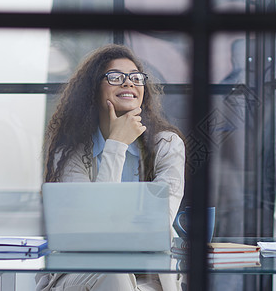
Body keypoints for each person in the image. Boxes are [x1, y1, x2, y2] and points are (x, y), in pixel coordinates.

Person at [36, 44, 186, 291]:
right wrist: (116, 145)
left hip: (148, 277)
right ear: (93, 89)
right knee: (114, 275)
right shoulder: (70, 152)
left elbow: (157, 225)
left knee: (120, 278)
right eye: (115, 77)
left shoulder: (167, 144)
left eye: (135, 77)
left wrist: (108, 225)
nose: (128, 83)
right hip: (79, 272)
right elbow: (91, 231)